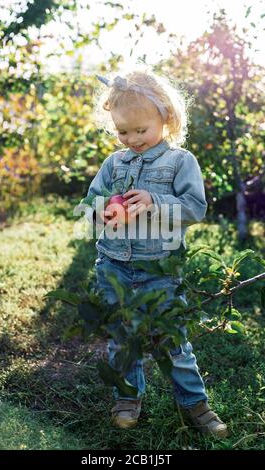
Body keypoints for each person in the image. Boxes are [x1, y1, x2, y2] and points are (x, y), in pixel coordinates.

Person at [85, 68, 228, 438]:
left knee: (171, 340)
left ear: (165, 118)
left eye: (140, 130)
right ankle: (127, 398)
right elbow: (89, 201)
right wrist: (102, 208)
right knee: (122, 339)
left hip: (160, 270)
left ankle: (196, 404)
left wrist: (155, 201)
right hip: (114, 265)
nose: (132, 139)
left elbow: (195, 208)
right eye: (123, 131)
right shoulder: (113, 164)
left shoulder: (181, 162)